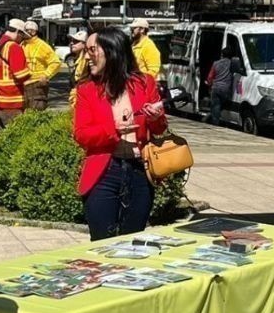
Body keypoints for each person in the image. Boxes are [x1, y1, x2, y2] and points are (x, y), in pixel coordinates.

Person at [74, 27, 167, 241]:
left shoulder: (145, 84)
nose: (87, 56)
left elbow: (160, 128)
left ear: (112, 50)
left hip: (139, 170)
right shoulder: (87, 90)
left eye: (92, 50)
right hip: (104, 172)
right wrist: (113, 129)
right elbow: (81, 134)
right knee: (101, 240)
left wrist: (155, 118)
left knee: (133, 240)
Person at [21, 20, 62, 111]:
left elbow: (56, 62)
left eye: (25, 31)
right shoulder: (22, 45)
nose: (22, 34)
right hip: (23, 85)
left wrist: (46, 75)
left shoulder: (43, 46)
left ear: (33, 32)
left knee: (37, 112)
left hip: (37, 85)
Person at [205, 45, 235, 126]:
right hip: (226, 89)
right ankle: (212, 116)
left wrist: (209, 86)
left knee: (216, 106)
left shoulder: (216, 63)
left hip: (216, 88)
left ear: (222, 54)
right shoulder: (232, 64)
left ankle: (215, 123)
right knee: (222, 105)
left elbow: (210, 77)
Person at [68, 31, 89, 107]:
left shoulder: (87, 60)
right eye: (71, 41)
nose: (72, 43)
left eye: (76, 41)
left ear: (84, 44)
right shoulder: (78, 59)